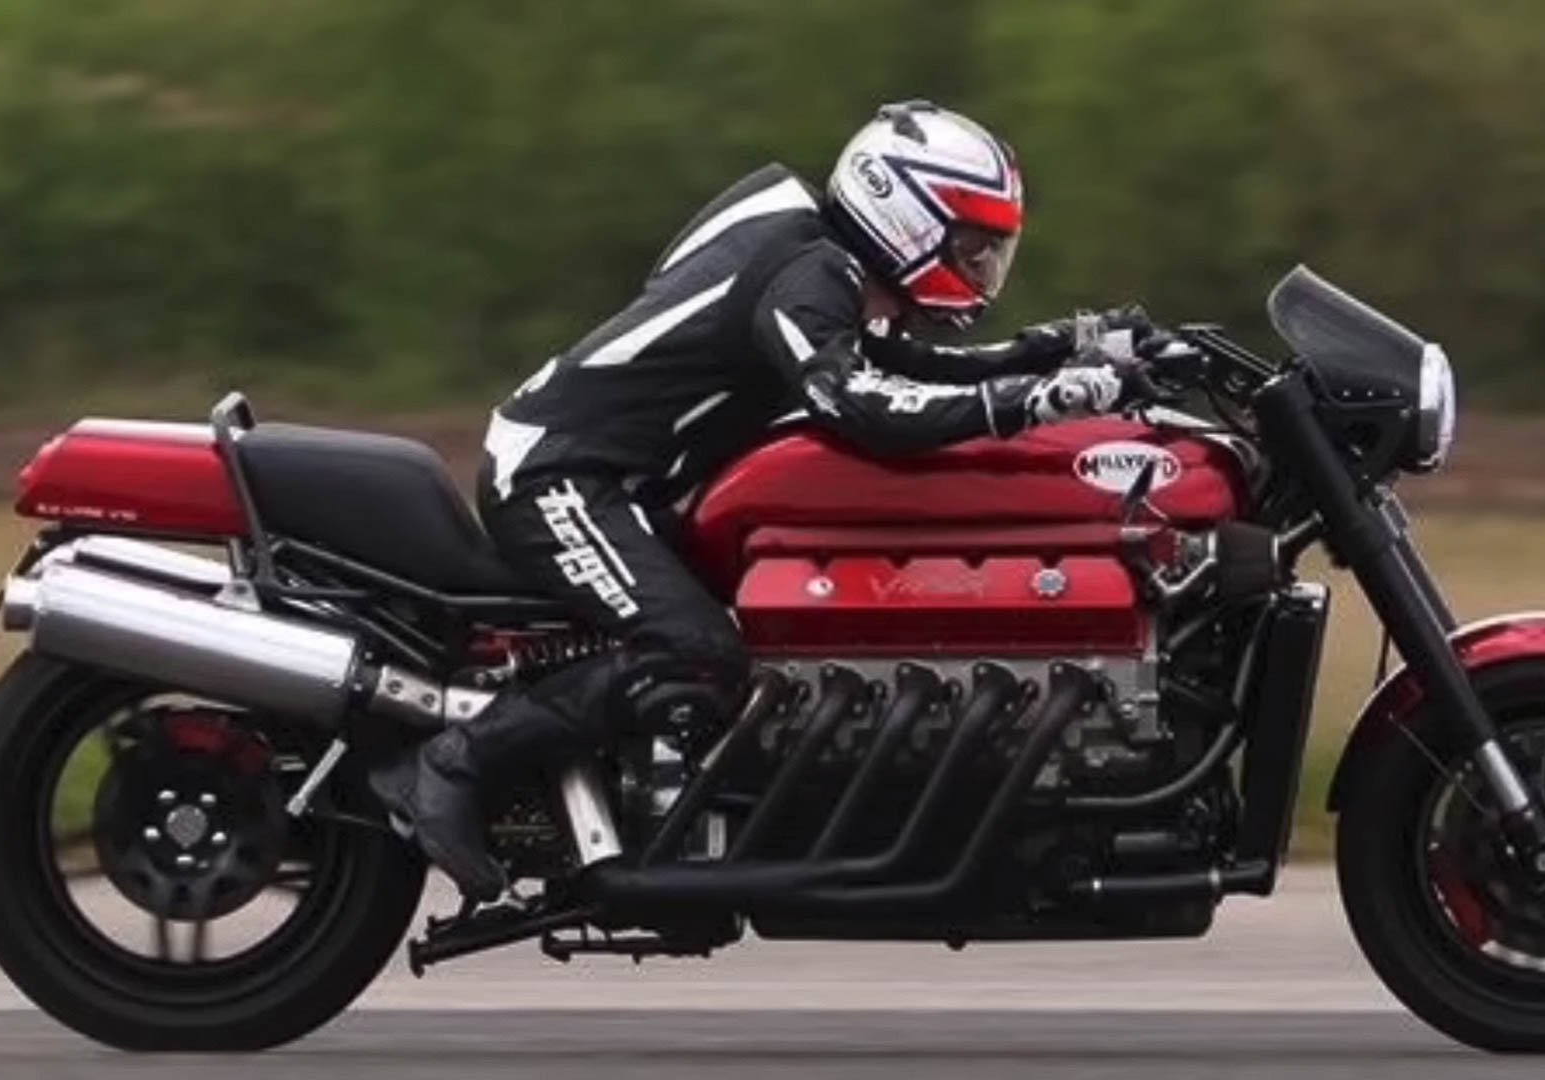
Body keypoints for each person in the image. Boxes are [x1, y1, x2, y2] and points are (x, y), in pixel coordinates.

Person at [374, 100, 1154, 901]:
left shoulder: (829, 269)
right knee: (695, 656)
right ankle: (451, 766)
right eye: (969, 244)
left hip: (620, 482)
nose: (983, 265)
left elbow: (918, 370)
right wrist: (1041, 400)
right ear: (905, 213)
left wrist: (1072, 347)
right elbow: (866, 406)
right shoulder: (807, 277)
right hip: (560, 474)